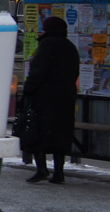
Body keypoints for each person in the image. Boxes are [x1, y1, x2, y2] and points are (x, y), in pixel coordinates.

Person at [20, 15, 79, 184]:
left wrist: (29, 91)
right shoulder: (70, 47)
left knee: (38, 131)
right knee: (61, 133)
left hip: (44, 97)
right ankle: (59, 172)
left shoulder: (46, 45)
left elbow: (37, 72)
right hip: (65, 98)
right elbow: (74, 73)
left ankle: (41, 169)